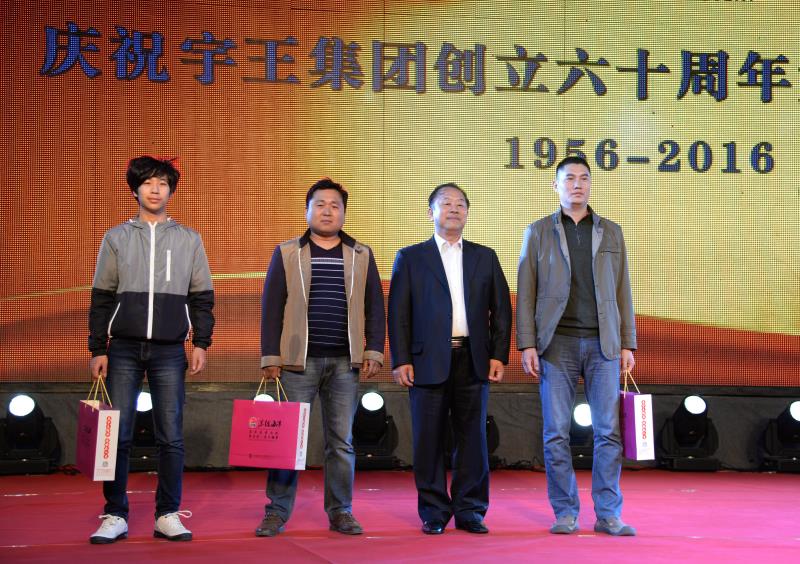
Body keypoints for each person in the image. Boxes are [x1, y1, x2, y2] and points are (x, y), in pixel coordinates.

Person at [87, 156, 215, 544]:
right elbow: (102, 296)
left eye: (162, 183)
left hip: (170, 350)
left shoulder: (189, 239)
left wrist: (201, 342)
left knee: (171, 436)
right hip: (123, 348)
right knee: (118, 435)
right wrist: (98, 348)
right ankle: (115, 514)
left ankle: (167, 514)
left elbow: (202, 296)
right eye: (147, 182)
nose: (155, 189)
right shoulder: (116, 237)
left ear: (171, 190)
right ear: (135, 190)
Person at [256, 178, 385, 537]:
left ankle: (341, 511)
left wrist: (374, 349)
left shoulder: (361, 254)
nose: (328, 211)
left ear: (344, 213)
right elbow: (271, 307)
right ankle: (276, 512)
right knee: (287, 442)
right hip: (297, 363)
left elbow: (375, 306)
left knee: (341, 443)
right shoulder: (286, 252)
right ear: (307, 211)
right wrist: (270, 356)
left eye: (335, 205)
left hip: (345, 364)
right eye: (320, 204)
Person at [516, 156, 637, 536]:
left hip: (604, 344)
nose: (577, 184)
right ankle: (565, 512)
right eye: (569, 178)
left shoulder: (612, 232)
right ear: (556, 186)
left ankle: (608, 514)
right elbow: (526, 292)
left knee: (608, 432)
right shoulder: (538, 232)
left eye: (584, 178)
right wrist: (527, 344)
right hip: (557, 344)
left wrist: (628, 343)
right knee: (556, 433)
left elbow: (623, 290)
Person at [388, 183, 512, 535]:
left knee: (473, 440)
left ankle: (470, 510)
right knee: (428, 440)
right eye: (446, 203)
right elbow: (398, 313)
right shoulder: (410, 257)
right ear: (431, 212)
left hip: (473, 359)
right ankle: (433, 511)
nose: (454, 209)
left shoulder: (485, 256)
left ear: (468, 213)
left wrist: (498, 355)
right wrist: (401, 359)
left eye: (460, 204)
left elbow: (501, 310)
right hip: (426, 361)